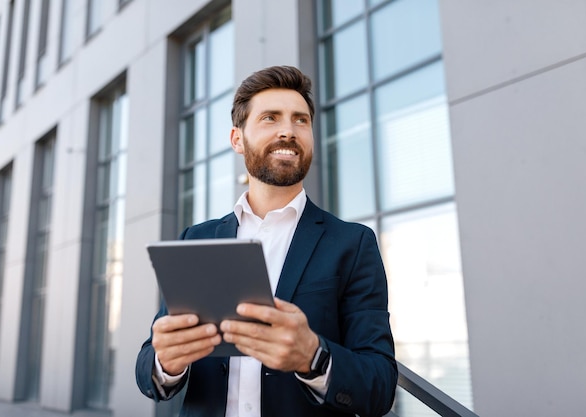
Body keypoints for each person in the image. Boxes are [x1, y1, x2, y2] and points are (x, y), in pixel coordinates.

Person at [135, 65, 397, 417]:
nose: (288, 131)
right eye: (270, 118)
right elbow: (148, 367)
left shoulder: (353, 243)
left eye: (300, 120)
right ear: (237, 139)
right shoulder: (197, 239)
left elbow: (380, 385)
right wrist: (165, 362)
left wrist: (313, 357)